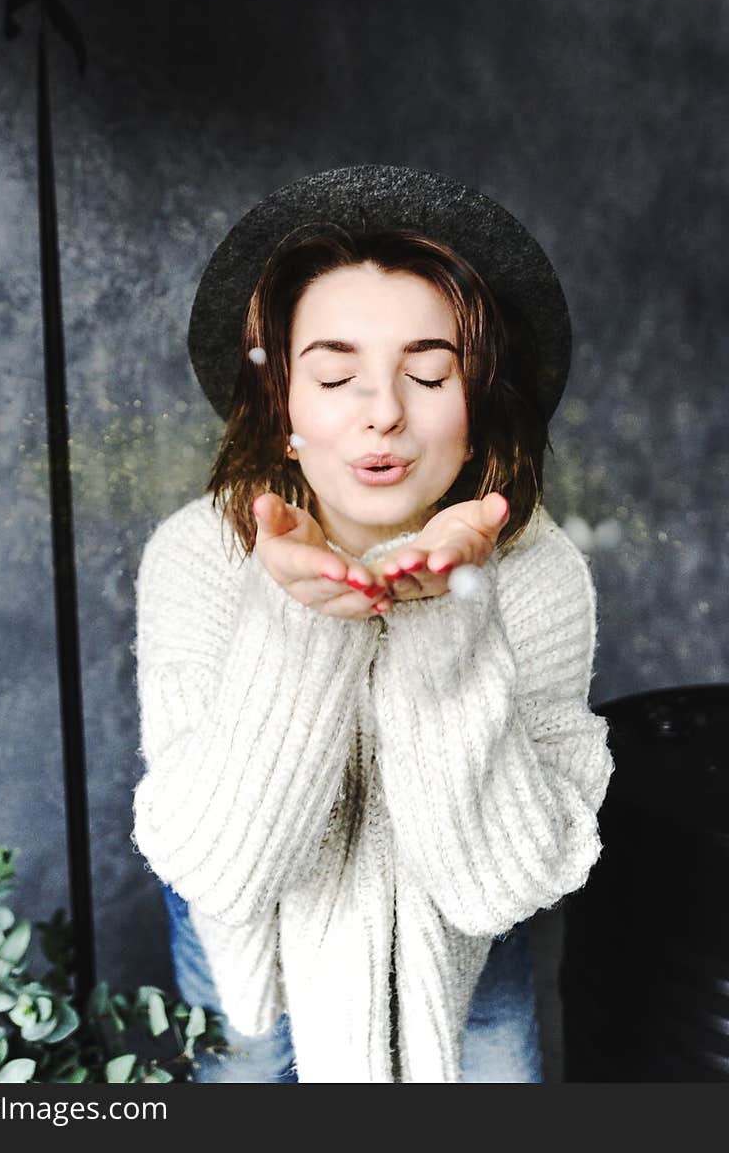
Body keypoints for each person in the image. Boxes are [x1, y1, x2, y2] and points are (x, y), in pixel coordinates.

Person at [131, 165, 613, 1084]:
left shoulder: (538, 571)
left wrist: (445, 631)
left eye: (429, 372)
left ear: (475, 418)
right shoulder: (197, 556)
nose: (384, 411)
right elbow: (220, 866)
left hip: (464, 954)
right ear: (281, 414)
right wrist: (297, 628)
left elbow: (503, 881)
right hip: (250, 955)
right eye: (337, 373)